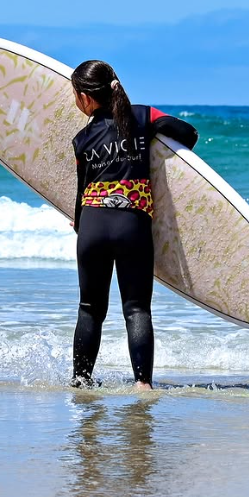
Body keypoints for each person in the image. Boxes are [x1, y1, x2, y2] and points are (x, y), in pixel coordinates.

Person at [70, 60, 198, 390]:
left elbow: (81, 192)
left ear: (85, 98)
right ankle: (143, 384)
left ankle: (81, 381)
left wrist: (80, 224)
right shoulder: (143, 116)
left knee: (89, 308)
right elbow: (188, 135)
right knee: (137, 308)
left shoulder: (81, 139)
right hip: (132, 223)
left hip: (92, 225)